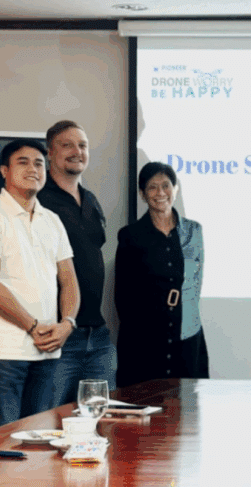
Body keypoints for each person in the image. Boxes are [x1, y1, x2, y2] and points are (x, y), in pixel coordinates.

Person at [0, 138, 79, 430]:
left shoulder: (52, 220)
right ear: (5, 171)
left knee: (41, 434)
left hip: (48, 348)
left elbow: (69, 280)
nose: (33, 169)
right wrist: (32, 326)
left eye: (39, 163)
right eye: (23, 162)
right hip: (5, 350)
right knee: (6, 437)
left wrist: (67, 323)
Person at [38, 120, 116, 405]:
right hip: (59, 337)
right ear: (50, 152)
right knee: (52, 420)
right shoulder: (39, 199)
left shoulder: (90, 199)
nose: (77, 151)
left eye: (82, 145)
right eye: (67, 145)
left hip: (98, 335)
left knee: (102, 419)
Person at [115, 162, 208, 386]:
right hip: (145, 339)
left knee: (187, 401)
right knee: (146, 400)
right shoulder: (131, 235)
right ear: (142, 194)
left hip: (186, 335)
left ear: (175, 189)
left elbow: (196, 284)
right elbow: (123, 296)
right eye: (152, 187)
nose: (160, 193)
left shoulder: (193, 231)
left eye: (166, 185)